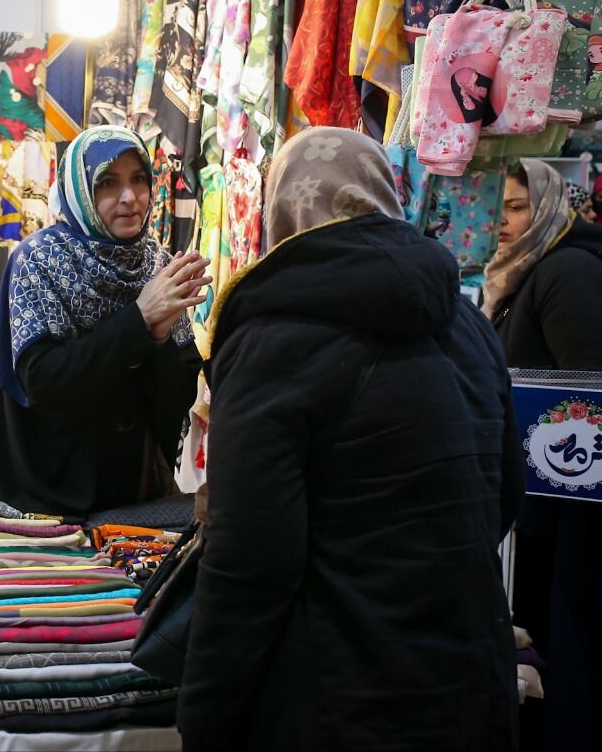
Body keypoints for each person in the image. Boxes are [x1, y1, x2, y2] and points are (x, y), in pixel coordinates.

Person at [177, 128, 521, 752]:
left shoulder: (274, 340)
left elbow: (251, 561)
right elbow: (501, 496)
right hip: (469, 677)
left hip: (341, 694)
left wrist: (204, 718)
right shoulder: (467, 325)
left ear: (283, 209)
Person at [0, 125, 208, 519]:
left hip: (126, 503)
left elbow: (173, 403)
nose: (130, 197)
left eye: (139, 179)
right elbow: (44, 382)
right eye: (108, 183)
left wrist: (159, 337)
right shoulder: (38, 262)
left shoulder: (157, 266)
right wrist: (139, 319)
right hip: (32, 498)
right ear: (80, 191)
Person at [484, 159, 602, 752]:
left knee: (564, 634)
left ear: (551, 208)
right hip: (541, 495)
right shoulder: (526, 273)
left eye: (517, 206)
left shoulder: (566, 272)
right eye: (500, 207)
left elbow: (589, 386)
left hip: (567, 502)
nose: (503, 221)